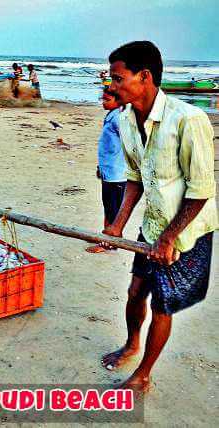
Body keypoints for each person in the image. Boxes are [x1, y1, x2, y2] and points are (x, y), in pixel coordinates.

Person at [101, 41, 217, 393]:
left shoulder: (188, 119)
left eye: (118, 79)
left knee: (162, 304)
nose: (112, 86)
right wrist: (117, 224)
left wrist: (169, 238)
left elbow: (201, 189)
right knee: (135, 293)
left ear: (145, 76)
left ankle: (144, 374)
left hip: (186, 232)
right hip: (151, 225)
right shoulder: (123, 119)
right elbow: (136, 178)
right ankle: (132, 344)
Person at [86, 88, 125, 253]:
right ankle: (107, 238)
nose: (103, 102)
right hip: (108, 171)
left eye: (106, 100)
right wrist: (100, 168)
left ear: (119, 101)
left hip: (117, 174)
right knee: (108, 207)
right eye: (102, 99)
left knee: (113, 210)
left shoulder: (119, 118)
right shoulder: (111, 115)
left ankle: (111, 243)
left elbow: (130, 144)